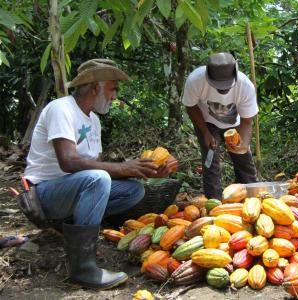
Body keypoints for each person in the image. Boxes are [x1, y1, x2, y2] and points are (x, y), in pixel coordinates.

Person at [24, 59, 177, 289]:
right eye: (113, 88)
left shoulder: (93, 120)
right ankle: (83, 269)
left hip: (70, 191)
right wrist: (122, 168)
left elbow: (92, 166)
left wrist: (142, 170)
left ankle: (68, 225)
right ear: (95, 87)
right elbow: (69, 161)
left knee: (134, 190)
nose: (115, 96)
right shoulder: (61, 108)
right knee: (98, 178)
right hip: (42, 195)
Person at [182, 52, 258, 199]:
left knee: (243, 159)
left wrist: (243, 144)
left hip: (234, 123)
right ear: (208, 76)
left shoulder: (245, 86)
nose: (222, 90)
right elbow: (191, 107)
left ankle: (251, 197)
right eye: (218, 85)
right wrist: (205, 132)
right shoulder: (195, 80)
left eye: (226, 85)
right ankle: (214, 202)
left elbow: (247, 121)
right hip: (207, 122)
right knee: (211, 161)